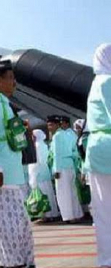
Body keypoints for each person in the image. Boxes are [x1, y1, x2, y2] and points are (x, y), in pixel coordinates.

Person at [0, 61, 35, 268]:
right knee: (8, 225)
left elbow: (7, 134)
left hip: (12, 172)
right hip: (1, 174)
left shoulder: (4, 104)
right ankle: (11, 263)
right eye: (10, 78)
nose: (14, 83)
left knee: (13, 223)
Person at [85, 43, 111, 267]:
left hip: (96, 150)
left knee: (103, 212)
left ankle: (106, 259)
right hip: (108, 147)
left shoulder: (95, 82)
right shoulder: (108, 82)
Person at [47, 115, 84, 223]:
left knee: (63, 193)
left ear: (57, 125)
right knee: (72, 192)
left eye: (51, 125)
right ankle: (77, 214)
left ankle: (69, 217)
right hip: (70, 165)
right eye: (48, 125)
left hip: (61, 167)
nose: (49, 127)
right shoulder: (68, 134)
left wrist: (57, 170)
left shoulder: (57, 136)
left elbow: (57, 154)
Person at [28, 129, 60, 221]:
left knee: (42, 194)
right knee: (48, 193)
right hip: (45, 171)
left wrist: (33, 176)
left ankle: (46, 215)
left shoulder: (36, 147)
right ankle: (52, 213)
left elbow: (36, 162)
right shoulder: (44, 145)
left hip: (38, 173)